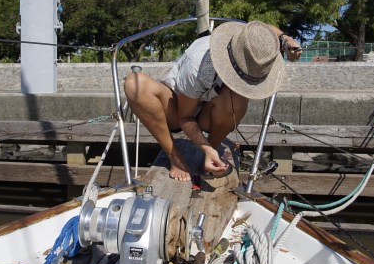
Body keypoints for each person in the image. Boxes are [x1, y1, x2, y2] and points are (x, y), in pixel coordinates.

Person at [124, 21, 302, 181]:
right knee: (134, 84)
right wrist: (203, 148)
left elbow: (266, 29)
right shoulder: (198, 64)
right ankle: (176, 157)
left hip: (206, 111)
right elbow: (184, 117)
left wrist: (286, 40)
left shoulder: (249, 39)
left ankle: (211, 152)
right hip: (177, 107)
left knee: (237, 100)